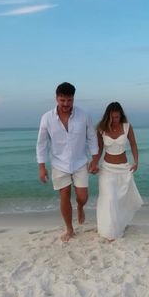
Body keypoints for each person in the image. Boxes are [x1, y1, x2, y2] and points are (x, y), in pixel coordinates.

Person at [36, 82, 99, 242]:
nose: (66, 104)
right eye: (62, 100)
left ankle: (80, 207)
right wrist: (42, 167)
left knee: (82, 197)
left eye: (69, 100)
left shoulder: (84, 115)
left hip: (80, 162)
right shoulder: (47, 118)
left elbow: (92, 137)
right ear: (56, 98)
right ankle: (69, 229)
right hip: (59, 164)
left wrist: (95, 159)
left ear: (73, 99)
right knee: (64, 196)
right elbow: (41, 143)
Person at [96, 102, 143, 241]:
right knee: (109, 198)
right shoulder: (101, 129)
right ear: (108, 116)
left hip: (123, 169)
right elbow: (99, 149)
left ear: (120, 115)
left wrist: (136, 161)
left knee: (120, 199)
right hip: (107, 169)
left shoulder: (127, 127)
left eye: (117, 117)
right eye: (113, 117)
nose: (115, 119)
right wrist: (94, 163)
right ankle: (109, 232)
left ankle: (117, 226)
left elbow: (133, 144)